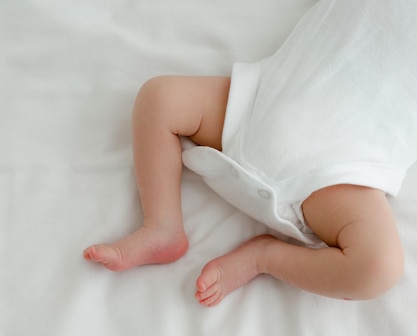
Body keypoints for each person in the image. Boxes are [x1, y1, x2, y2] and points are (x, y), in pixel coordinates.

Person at [84, 0, 417, 306]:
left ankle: (264, 257)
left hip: (341, 172)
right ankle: (162, 225)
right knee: (158, 98)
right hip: (260, 106)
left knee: (378, 267)